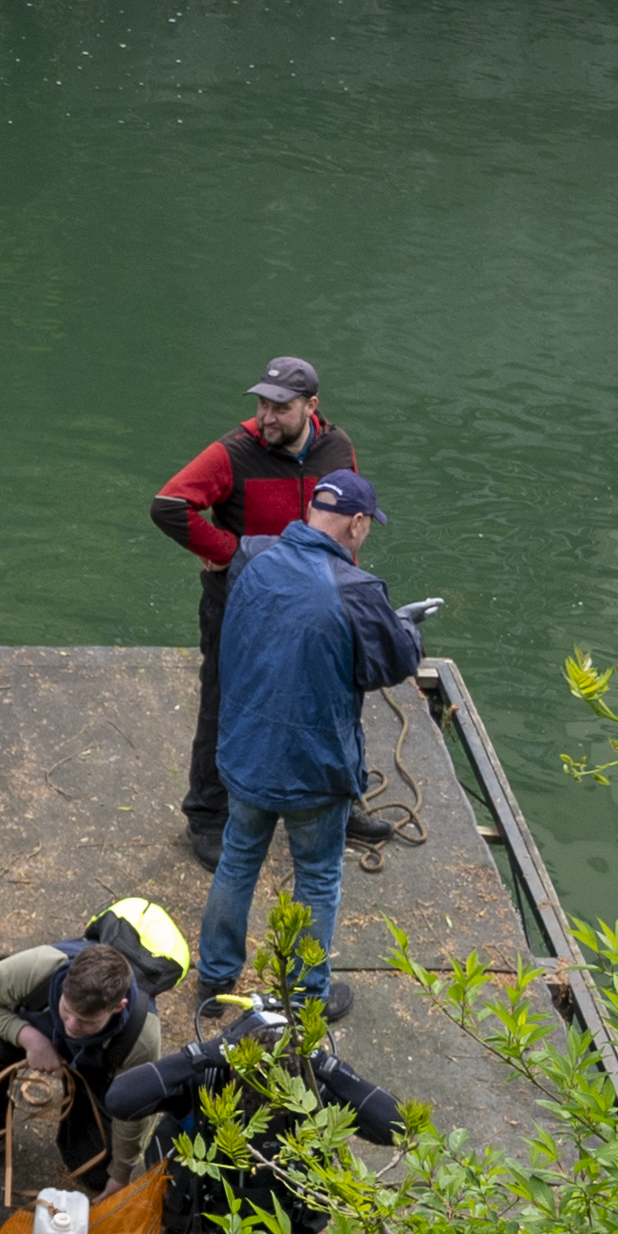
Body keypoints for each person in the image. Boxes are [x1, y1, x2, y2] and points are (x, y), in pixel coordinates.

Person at [199, 468, 423, 1024]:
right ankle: (305, 997)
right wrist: (407, 628)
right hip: (313, 771)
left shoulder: (254, 559)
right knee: (318, 877)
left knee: (238, 858)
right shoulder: (358, 589)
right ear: (357, 523)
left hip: (246, 754)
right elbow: (390, 665)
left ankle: (214, 975)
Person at [152, 358, 361, 866]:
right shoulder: (234, 452)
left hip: (314, 604)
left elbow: (349, 517)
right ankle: (206, 817)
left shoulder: (337, 448)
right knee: (224, 701)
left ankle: (343, 804)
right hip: (239, 602)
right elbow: (169, 505)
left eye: (280, 408)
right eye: (262, 405)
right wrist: (228, 551)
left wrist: (346, 585)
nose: (267, 417)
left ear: (311, 408)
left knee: (331, 695)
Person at [104, 1012, 407, 1234]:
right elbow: (120, 1098)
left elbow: (400, 1126)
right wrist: (202, 1054)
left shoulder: (312, 1091)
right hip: (206, 1232)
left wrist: (328, 1067)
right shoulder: (206, 1082)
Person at [0, 911, 189, 1193]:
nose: (72, 1026)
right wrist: (29, 1038)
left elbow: (134, 1109)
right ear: (65, 984)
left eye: (87, 1021)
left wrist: (120, 1175)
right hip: (38, 1036)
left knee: (96, 1176)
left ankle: (79, 1120)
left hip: (97, 1067)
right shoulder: (42, 966)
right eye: (66, 1010)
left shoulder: (141, 1036)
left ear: (118, 1007)